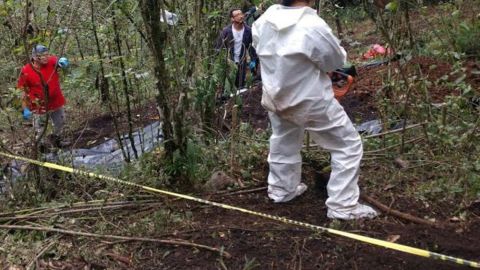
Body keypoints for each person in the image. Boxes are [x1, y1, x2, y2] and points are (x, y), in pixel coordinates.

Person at [252, 0, 378, 220]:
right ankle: (343, 206)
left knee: (284, 141)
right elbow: (335, 60)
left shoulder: (263, 22)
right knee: (347, 145)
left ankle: (282, 190)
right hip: (309, 100)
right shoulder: (311, 25)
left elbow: (261, 51)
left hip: (276, 96)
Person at [17, 44, 70, 147]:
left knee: (60, 122)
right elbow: (22, 91)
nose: (46, 57)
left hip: (55, 102)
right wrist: (25, 109)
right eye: (43, 55)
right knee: (40, 129)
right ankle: (41, 148)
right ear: (35, 57)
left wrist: (62, 61)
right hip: (38, 106)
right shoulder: (26, 70)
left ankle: (57, 141)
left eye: (47, 54)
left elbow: (58, 61)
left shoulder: (51, 61)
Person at [216, 8, 259, 89]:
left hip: (242, 62)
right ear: (232, 19)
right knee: (229, 87)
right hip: (229, 63)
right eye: (237, 15)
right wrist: (219, 63)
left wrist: (253, 60)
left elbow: (252, 47)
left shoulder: (248, 30)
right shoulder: (226, 31)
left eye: (241, 14)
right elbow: (219, 47)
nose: (241, 16)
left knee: (240, 86)